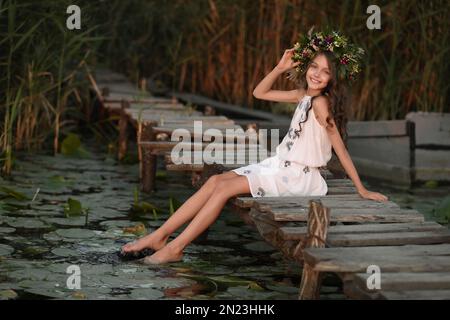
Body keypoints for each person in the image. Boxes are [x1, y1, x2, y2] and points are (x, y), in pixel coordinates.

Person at [122, 29, 389, 264]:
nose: (317, 74)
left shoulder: (321, 103)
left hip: (299, 177)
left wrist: (361, 189)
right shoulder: (304, 95)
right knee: (215, 181)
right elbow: (259, 93)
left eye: (325, 71)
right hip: (278, 166)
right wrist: (280, 67)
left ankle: (175, 247)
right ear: (306, 67)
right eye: (313, 67)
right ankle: (160, 236)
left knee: (224, 188)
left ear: (333, 78)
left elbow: (340, 149)